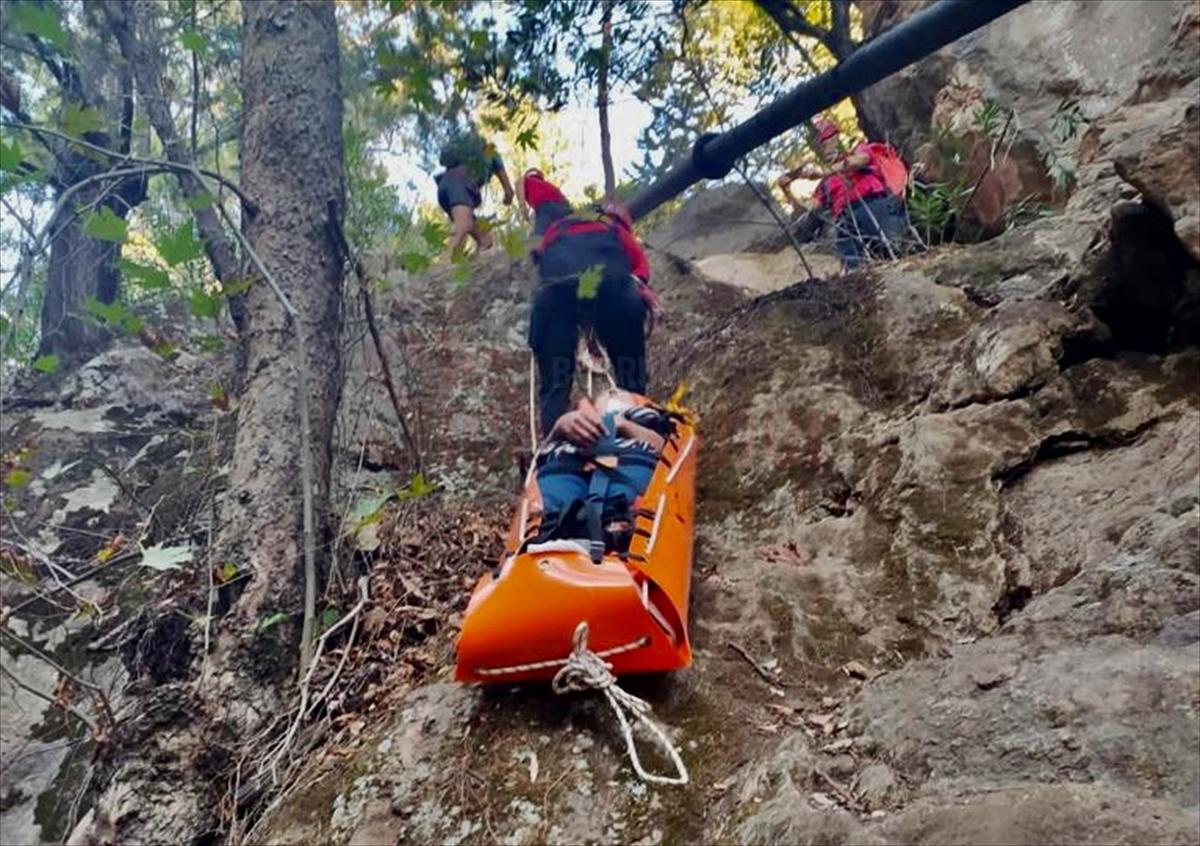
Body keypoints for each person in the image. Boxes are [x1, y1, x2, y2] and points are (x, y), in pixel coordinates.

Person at [529, 200, 662, 437]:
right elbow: (640, 268)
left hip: (554, 296)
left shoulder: (556, 228)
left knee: (555, 382)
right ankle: (637, 429)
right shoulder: (616, 230)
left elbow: (540, 255)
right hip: (614, 292)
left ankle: (551, 441)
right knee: (631, 374)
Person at [534, 391, 672, 555]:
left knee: (621, 502)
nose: (611, 393)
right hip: (566, 461)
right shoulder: (572, 420)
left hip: (630, 457)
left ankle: (616, 530)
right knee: (556, 506)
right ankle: (555, 533)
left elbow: (665, 449)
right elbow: (539, 458)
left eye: (616, 394)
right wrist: (559, 428)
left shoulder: (641, 414)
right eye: (605, 395)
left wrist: (622, 425)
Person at [777, 117, 906, 269]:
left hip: (874, 205)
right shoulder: (825, 184)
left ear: (837, 139)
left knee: (893, 249)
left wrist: (823, 172)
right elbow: (807, 209)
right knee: (852, 267)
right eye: (822, 144)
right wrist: (787, 192)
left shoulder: (861, 150)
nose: (826, 147)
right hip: (846, 221)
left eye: (829, 140)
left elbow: (856, 162)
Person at [434, 129, 515, 254]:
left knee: (485, 239)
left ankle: (467, 270)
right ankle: (442, 267)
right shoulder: (493, 154)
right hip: (460, 184)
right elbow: (509, 192)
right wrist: (507, 197)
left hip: (445, 187)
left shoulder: (464, 155)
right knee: (463, 225)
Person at [517, 168, 573, 235]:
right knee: (568, 232)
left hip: (545, 205)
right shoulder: (545, 184)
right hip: (562, 203)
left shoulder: (526, 180)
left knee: (539, 238)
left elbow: (518, 184)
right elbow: (539, 172)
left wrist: (523, 207)